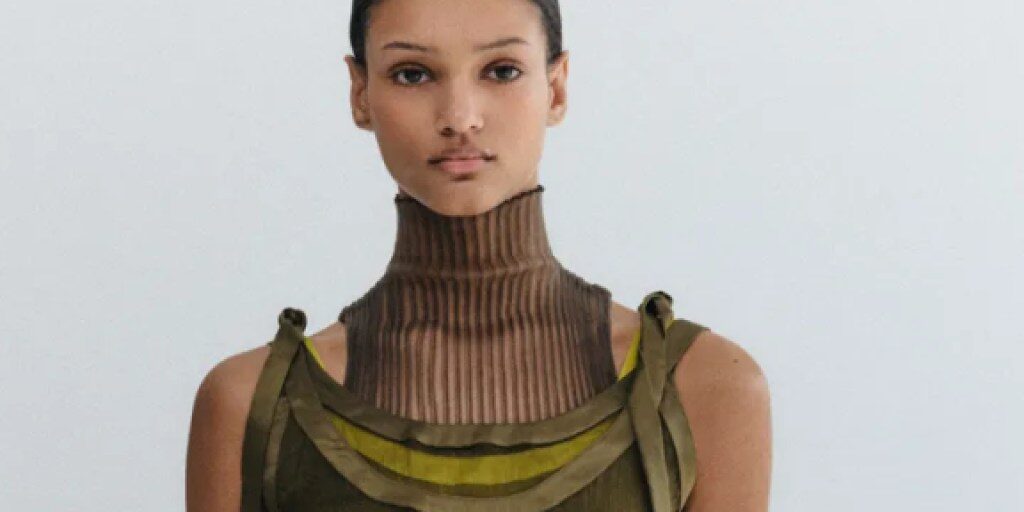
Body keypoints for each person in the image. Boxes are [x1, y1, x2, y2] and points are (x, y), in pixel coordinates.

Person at [185, 0, 772, 510]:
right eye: (413, 74)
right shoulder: (253, 405)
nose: (460, 118)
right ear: (360, 94)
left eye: (502, 70)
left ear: (557, 87)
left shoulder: (703, 387)